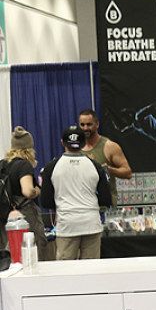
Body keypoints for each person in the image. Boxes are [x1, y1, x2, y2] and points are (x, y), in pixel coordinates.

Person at [40, 126, 112, 260]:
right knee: (91, 268)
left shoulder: (51, 167)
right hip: (91, 223)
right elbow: (106, 199)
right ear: (84, 143)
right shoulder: (96, 166)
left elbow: (45, 201)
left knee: (66, 269)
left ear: (62, 142)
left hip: (67, 224)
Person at [1, 127, 53, 261]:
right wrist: (38, 189)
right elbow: (27, 191)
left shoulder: (3, 164)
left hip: (5, 214)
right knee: (36, 248)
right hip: (25, 213)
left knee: (11, 252)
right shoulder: (23, 165)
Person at [78, 108, 132, 207]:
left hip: (106, 207)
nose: (85, 128)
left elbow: (128, 173)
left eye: (89, 124)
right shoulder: (76, 148)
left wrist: (109, 170)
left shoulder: (110, 146)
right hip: (84, 206)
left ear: (97, 124)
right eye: (82, 125)